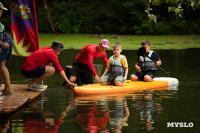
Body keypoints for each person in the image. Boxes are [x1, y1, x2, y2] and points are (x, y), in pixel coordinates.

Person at [0, 2, 13, 95]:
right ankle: (8, 88)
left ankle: (8, 88)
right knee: (1, 66)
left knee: (2, 66)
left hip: (5, 43)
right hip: (4, 42)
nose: (2, 12)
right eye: (1, 10)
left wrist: (3, 45)